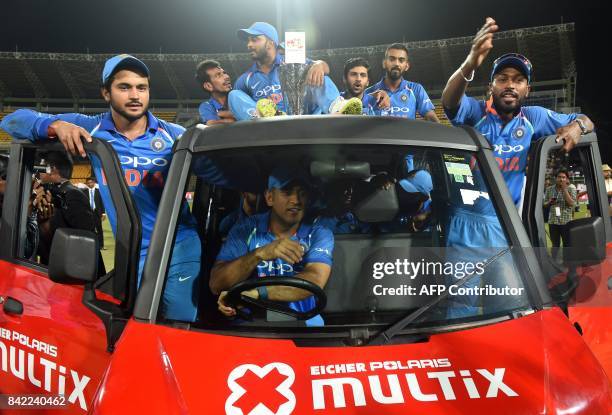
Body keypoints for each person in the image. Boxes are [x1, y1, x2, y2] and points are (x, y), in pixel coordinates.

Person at [0, 54, 201, 322]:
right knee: (138, 329)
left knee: (177, 327)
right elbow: (11, 121)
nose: (134, 95)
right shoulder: (90, 127)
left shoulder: (174, 134)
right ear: (106, 93)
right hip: (130, 255)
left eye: (141, 87)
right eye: (124, 87)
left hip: (179, 247)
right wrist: (54, 125)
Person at [441, 17, 595, 210]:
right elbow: (448, 101)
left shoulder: (533, 118)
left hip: (508, 222)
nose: (510, 85)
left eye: (518, 80)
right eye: (502, 79)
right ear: (491, 87)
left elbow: (586, 121)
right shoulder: (476, 112)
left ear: (527, 89)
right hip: (468, 218)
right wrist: (470, 63)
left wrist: (578, 126)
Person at [210, 166, 334, 326]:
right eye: (287, 192)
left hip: (304, 324)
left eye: (302, 193)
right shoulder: (245, 229)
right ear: (269, 197)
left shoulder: (319, 233)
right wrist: (259, 254)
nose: (296, 200)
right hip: (251, 324)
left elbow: (315, 279)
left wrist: (256, 293)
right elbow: (217, 284)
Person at [227, 21, 362, 120]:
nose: (249, 45)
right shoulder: (246, 78)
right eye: (248, 41)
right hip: (270, 127)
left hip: (303, 116)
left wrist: (319, 64)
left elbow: (324, 67)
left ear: (270, 43)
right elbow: (237, 106)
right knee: (233, 95)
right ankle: (261, 118)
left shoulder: (291, 61)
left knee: (318, 74)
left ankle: (338, 109)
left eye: (254, 40)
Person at [35, 151, 96, 265]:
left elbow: (85, 240)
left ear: (52, 169)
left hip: (69, 271)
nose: (37, 173)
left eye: (40, 168)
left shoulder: (73, 195)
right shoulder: (54, 193)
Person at [364, 43, 439, 122]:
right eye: (392, 59)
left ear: (407, 66)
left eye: (401, 60)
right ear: (384, 63)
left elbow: (431, 118)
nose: (396, 64)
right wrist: (369, 97)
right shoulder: (369, 92)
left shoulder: (416, 89)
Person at [544, 169, 577, 262]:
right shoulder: (549, 189)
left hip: (566, 221)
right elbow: (544, 204)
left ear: (567, 179)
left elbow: (571, 203)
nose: (561, 179)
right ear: (555, 178)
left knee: (567, 244)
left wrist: (564, 189)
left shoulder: (571, 188)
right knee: (555, 244)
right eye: (559, 177)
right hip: (553, 221)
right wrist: (549, 202)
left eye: (564, 177)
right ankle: (554, 262)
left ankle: (568, 262)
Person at [195, 59, 236, 126]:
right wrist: (237, 117)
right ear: (208, 86)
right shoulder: (206, 106)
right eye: (218, 75)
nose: (226, 77)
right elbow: (212, 124)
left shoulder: (240, 96)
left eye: (224, 73)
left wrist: (222, 115)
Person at [84, 176, 106, 250]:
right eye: (88, 183)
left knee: (99, 229)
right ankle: (90, 245)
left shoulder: (99, 191)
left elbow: (102, 202)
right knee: (89, 229)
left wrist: (103, 213)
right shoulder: (84, 192)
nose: (90, 184)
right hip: (88, 212)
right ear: (86, 184)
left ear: (94, 183)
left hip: (97, 212)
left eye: (91, 182)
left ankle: (101, 245)